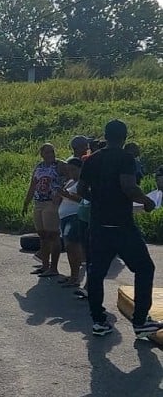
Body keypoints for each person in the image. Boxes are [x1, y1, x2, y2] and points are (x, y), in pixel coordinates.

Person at [78, 119, 163, 337]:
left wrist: (98, 200)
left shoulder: (91, 159)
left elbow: (81, 189)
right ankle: (140, 321)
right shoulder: (126, 158)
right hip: (122, 226)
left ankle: (98, 321)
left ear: (105, 135)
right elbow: (128, 186)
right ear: (124, 137)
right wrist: (147, 201)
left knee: (95, 274)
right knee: (144, 268)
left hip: (98, 226)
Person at [22, 143, 62, 277]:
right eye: (47, 152)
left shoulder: (59, 165)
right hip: (38, 202)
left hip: (51, 202)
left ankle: (54, 268)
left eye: (52, 151)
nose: (51, 155)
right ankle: (45, 265)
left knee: (53, 234)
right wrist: (26, 203)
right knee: (42, 234)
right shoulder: (39, 167)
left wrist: (61, 194)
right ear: (42, 154)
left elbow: (73, 176)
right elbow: (32, 185)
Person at [55, 157, 85, 287]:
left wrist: (67, 195)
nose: (71, 172)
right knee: (68, 248)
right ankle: (73, 275)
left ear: (80, 169)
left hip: (74, 217)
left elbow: (83, 200)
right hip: (64, 217)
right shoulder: (70, 182)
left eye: (73, 170)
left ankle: (75, 277)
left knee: (73, 247)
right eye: (69, 170)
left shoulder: (83, 183)